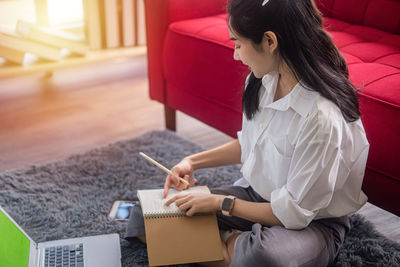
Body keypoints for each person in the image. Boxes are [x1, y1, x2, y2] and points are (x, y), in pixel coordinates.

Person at [161, 0, 369, 266]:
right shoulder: (262, 80)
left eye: (238, 43)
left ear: (270, 41)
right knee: (156, 217)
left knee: (263, 257)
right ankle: (227, 249)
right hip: (258, 198)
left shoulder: (320, 117)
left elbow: (293, 213)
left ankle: (220, 246)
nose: (236, 55)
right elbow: (249, 144)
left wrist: (218, 204)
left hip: (312, 222)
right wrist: (191, 161)